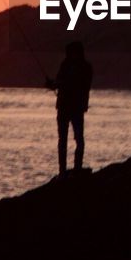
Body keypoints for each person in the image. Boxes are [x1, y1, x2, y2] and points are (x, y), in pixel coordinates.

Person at [45, 41, 93, 175]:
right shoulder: (66, 65)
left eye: (72, 52)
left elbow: (75, 83)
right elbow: (61, 82)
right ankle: (63, 170)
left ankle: (77, 168)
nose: (70, 55)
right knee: (63, 139)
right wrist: (53, 84)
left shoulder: (84, 68)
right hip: (65, 107)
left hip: (75, 107)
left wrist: (56, 84)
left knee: (78, 138)